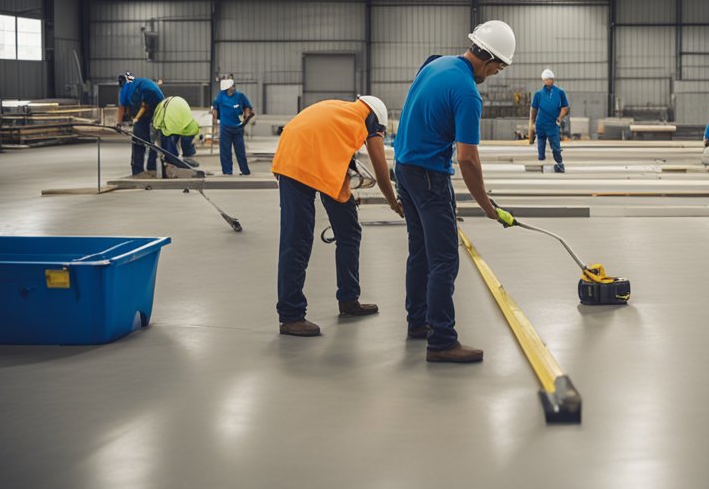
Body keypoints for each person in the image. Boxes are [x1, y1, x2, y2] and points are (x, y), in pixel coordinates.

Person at [394, 19, 519, 364]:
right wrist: (487, 207)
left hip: (404, 168)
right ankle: (442, 340)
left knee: (420, 251)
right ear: (491, 61)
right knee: (445, 259)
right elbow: (468, 159)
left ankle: (418, 322)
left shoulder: (436, 63)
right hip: (429, 176)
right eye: (497, 69)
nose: (494, 75)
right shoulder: (467, 92)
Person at [270, 95, 403, 337]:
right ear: (377, 122)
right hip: (296, 165)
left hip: (305, 157)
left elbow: (335, 154)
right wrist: (394, 202)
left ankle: (349, 299)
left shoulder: (340, 110)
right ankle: (291, 316)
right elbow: (380, 167)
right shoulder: (363, 121)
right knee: (297, 239)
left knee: (349, 231)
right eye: (380, 132)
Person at [116, 72, 165, 177]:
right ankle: (152, 169)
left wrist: (118, 123)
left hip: (147, 105)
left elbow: (122, 108)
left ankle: (138, 171)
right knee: (153, 140)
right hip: (160, 107)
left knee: (138, 141)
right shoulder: (141, 81)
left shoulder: (125, 89)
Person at [529, 68, 570, 173]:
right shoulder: (538, 94)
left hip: (553, 123)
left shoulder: (559, 92)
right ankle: (541, 163)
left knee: (556, 146)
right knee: (540, 146)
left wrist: (560, 117)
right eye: (546, 79)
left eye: (550, 79)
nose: (548, 81)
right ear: (543, 80)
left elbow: (565, 107)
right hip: (541, 123)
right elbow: (534, 108)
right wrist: (531, 122)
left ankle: (559, 163)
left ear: (553, 79)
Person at [212, 78, 255, 175]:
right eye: (232, 86)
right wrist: (215, 121)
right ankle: (227, 171)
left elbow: (247, 107)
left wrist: (247, 116)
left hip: (238, 128)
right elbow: (215, 109)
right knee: (225, 151)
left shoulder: (240, 96)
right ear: (227, 88)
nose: (234, 87)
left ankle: (245, 171)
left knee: (240, 151)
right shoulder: (220, 97)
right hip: (225, 128)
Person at [151, 95, 200, 170]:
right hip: (179, 123)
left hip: (169, 125)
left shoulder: (161, 107)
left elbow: (156, 125)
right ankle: (183, 159)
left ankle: (174, 162)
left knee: (170, 150)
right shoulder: (175, 106)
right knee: (179, 145)